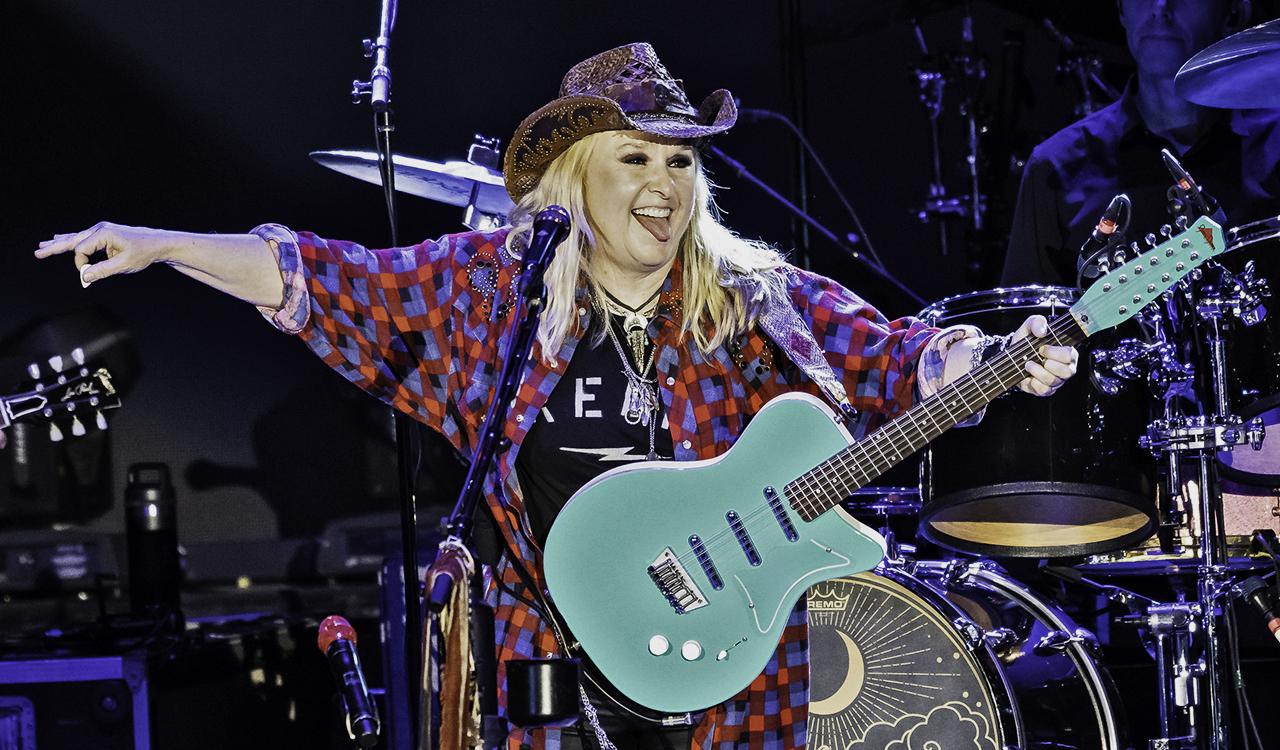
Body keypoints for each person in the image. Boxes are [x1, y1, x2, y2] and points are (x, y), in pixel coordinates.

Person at [37, 43, 1077, 750]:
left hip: (735, 682)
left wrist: (988, 358)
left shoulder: (752, 297)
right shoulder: (497, 295)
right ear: (577, 177)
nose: (664, 184)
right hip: (554, 670)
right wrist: (165, 246)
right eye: (635, 157)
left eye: (680, 161)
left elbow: (893, 357)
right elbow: (327, 279)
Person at [1002, 0, 1280, 287]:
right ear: (1121, 9)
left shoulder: (1276, 143)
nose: (1160, 7)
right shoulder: (1054, 167)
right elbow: (1028, 313)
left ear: (1234, 14)